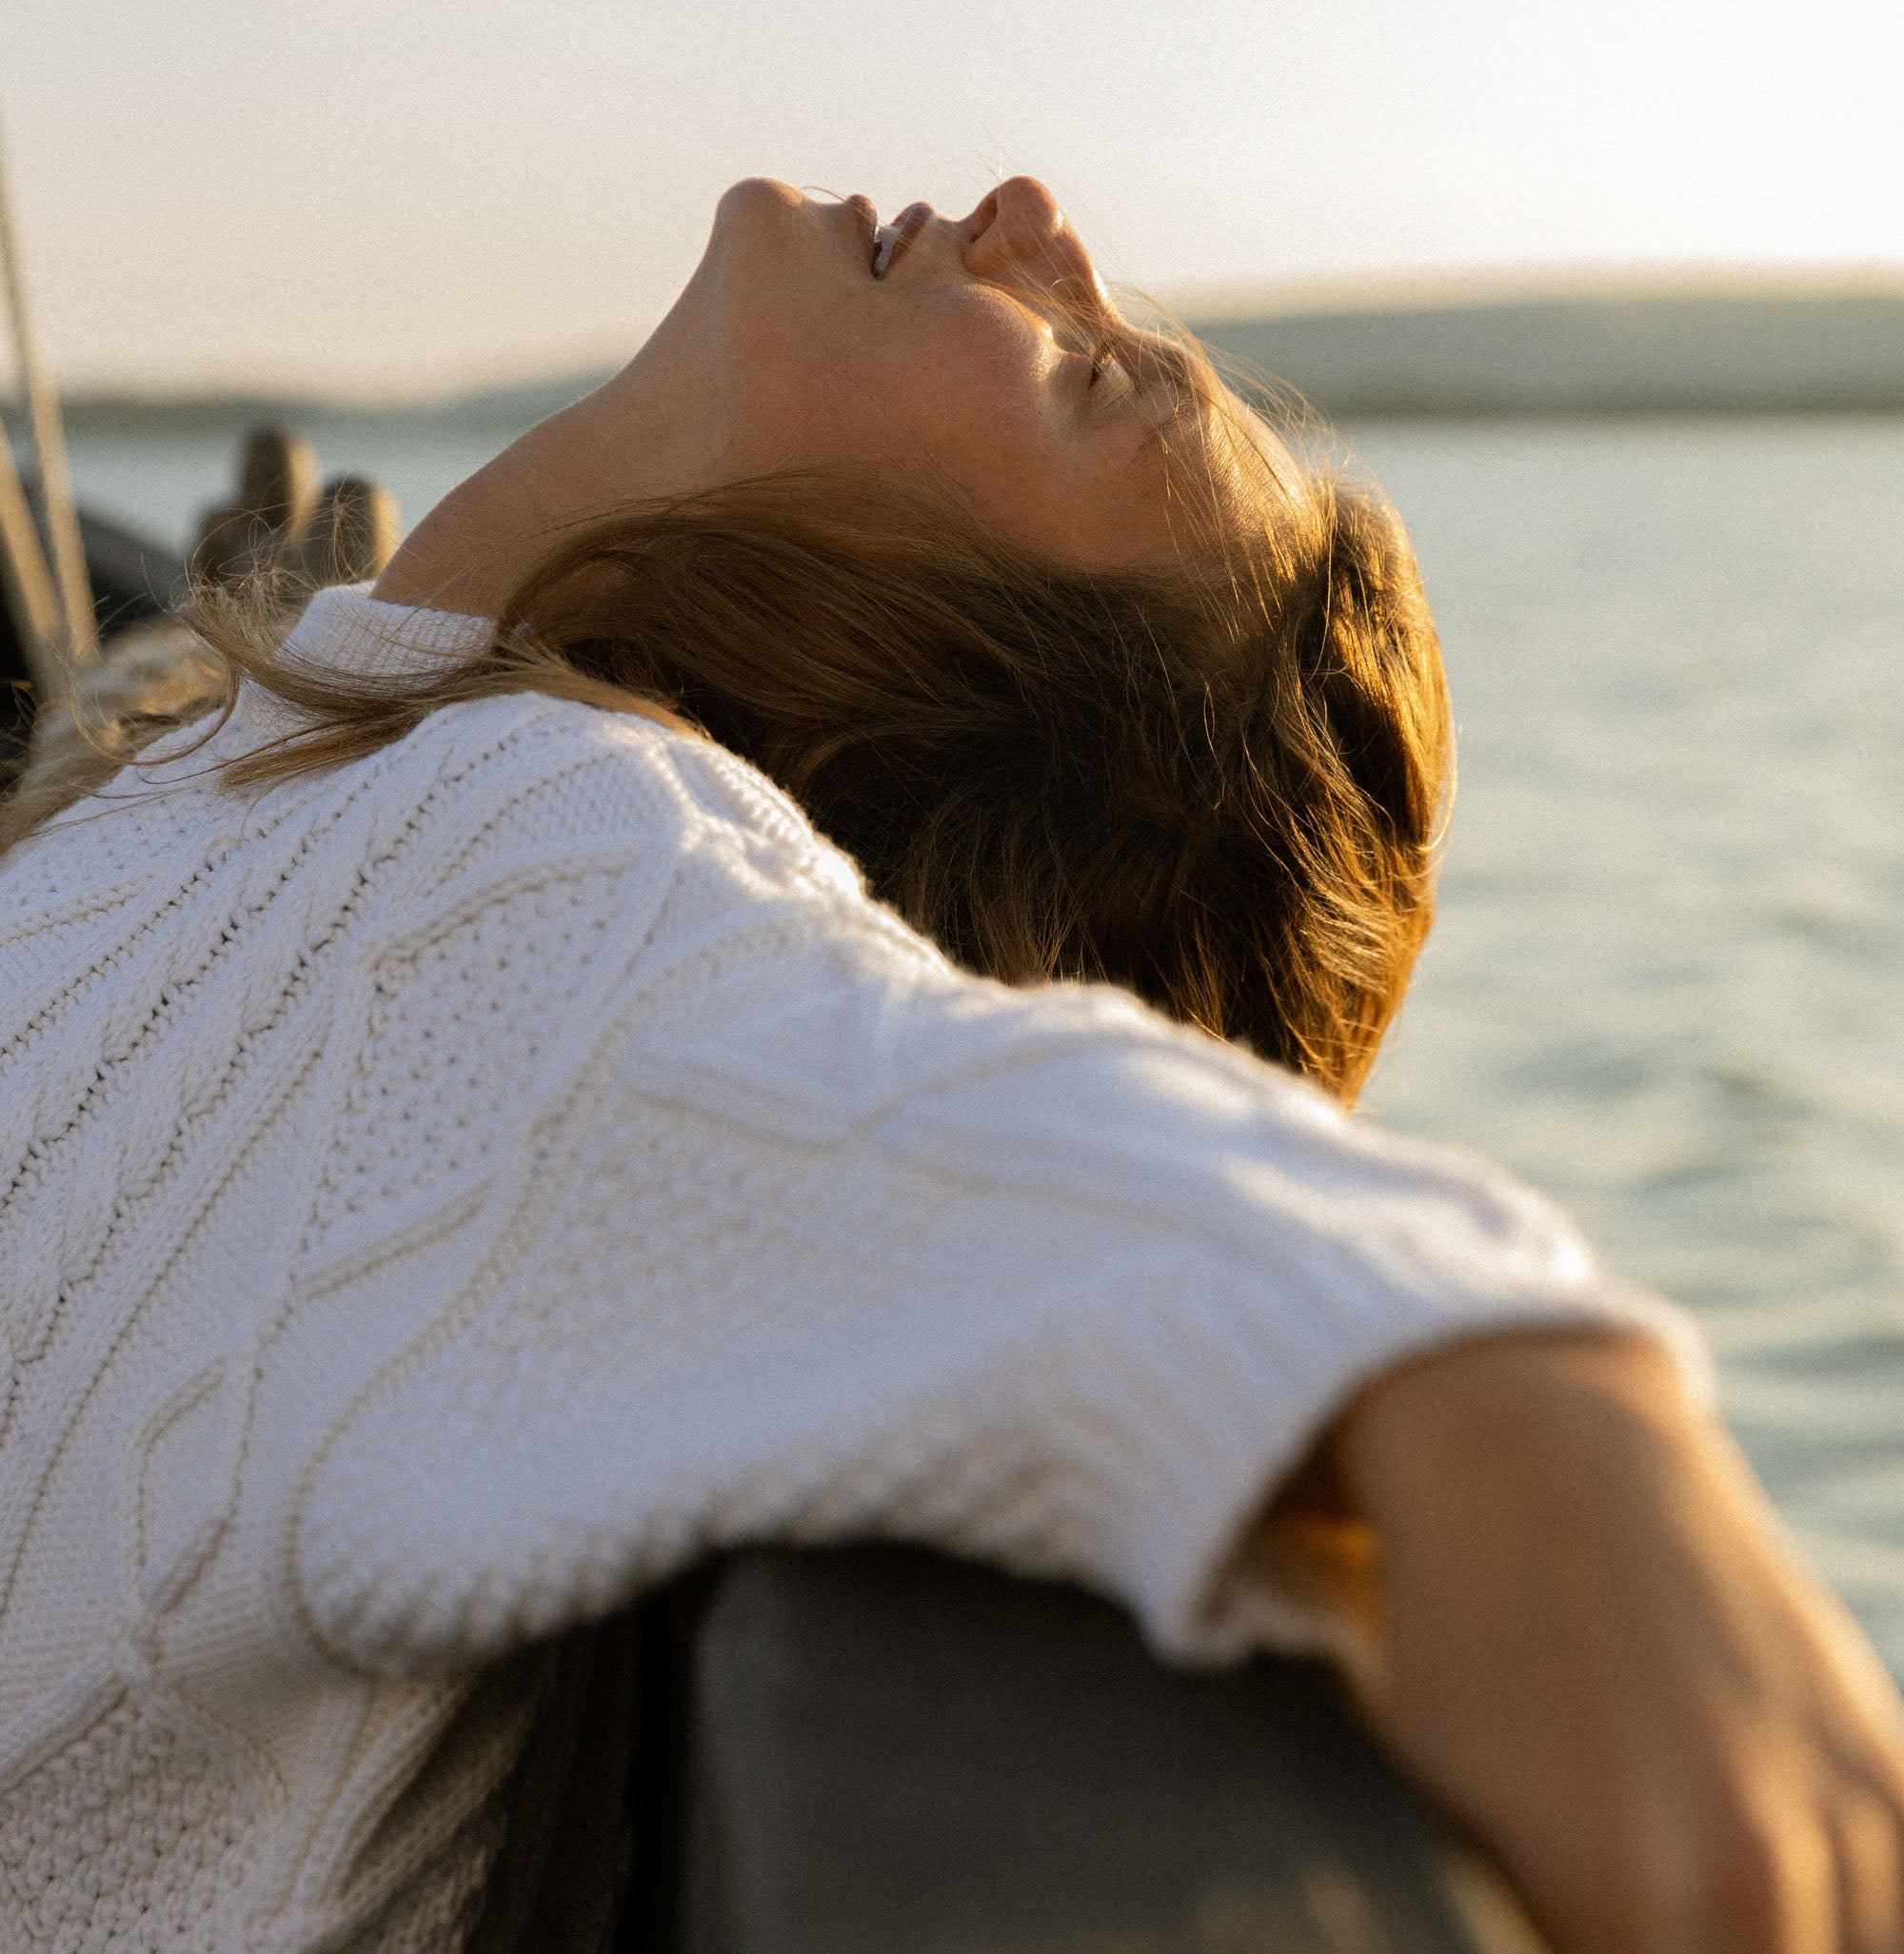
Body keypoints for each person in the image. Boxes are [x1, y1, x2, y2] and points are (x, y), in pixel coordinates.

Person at [0, 175, 1899, 1954]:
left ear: (903, 677)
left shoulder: (552, 868)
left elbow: (923, 1093)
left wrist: (1521, 1396)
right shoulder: (273, 780)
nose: (1031, 219)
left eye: (1087, 384)